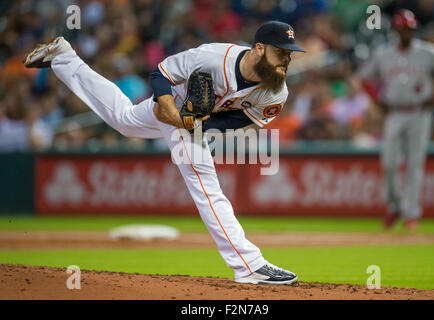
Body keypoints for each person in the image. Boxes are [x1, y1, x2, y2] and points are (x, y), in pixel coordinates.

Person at [23, 21, 305, 284]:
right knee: (206, 185)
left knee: (125, 120)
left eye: (289, 54)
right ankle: (249, 265)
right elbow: (160, 74)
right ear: (259, 49)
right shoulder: (213, 58)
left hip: (192, 119)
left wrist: (198, 124)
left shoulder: (276, 93)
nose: (286, 60)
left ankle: (64, 58)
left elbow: (242, 120)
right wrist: (172, 111)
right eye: (280, 52)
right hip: (172, 101)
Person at [356, 10, 434, 231]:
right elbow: (365, 78)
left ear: (414, 30)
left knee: (414, 164)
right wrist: (378, 100)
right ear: (396, 31)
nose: (406, 33)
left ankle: (410, 213)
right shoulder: (384, 54)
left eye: (409, 29)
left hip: (419, 112)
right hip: (395, 112)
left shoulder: (427, 52)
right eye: (402, 29)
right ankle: (395, 206)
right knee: (388, 163)